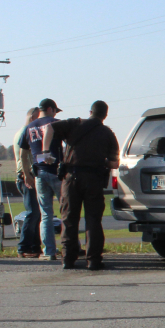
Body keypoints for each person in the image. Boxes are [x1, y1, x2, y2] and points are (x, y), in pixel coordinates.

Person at [42, 100, 119, 270]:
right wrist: (103, 161)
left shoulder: (74, 124)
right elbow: (114, 163)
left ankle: (68, 260)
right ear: (105, 115)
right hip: (94, 179)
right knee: (93, 220)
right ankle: (93, 260)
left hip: (71, 177)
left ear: (90, 111)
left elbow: (49, 127)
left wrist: (45, 152)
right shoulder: (107, 133)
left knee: (69, 219)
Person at [20, 98, 65, 261]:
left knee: (45, 214)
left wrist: (26, 174)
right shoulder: (56, 123)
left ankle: (49, 252)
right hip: (57, 173)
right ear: (51, 109)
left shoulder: (29, 127)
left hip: (39, 173)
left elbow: (23, 153)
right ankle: (68, 247)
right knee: (65, 211)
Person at [14, 107, 42, 258]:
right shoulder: (25, 133)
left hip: (29, 175)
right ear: (32, 117)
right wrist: (27, 175)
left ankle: (34, 246)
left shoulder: (24, 131)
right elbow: (24, 157)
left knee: (37, 214)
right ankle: (23, 246)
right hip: (27, 176)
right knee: (33, 212)